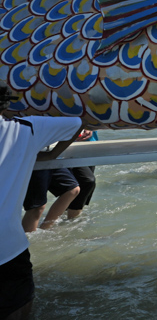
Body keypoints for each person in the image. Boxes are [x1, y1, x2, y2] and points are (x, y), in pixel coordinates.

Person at [0, 84, 82, 320]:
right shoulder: (26, 129)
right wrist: (53, 155)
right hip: (8, 247)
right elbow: (78, 122)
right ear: (7, 104)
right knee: (18, 307)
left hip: (10, 247)